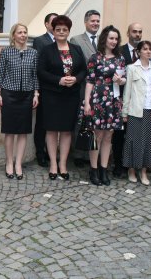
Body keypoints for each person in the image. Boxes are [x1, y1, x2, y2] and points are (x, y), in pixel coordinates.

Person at [37, 15, 87, 180]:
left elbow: (83, 70)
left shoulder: (76, 49)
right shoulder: (46, 50)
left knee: (66, 132)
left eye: (64, 29)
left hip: (71, 96)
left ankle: (63, 164)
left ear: (68, 31)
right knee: (51, 131)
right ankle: (53, 164)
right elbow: (41, 72)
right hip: (51, 95)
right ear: (53, 30)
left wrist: (76, 79)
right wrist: (58, 80)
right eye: (58, 29)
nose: (61, 32)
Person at [83, 25, 126, 186]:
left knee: (108, 136)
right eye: (111, 38)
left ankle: (103, 169)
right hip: (97, 99)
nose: (114, 41)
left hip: (113, 101)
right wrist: (87, 102)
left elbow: (124, 79)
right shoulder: (95, 57)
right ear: (105, 39)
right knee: (96, 136)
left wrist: (121, 81)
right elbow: (89, 81)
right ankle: (93, 170)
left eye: (116, 39)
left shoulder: (120, 58)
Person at [0, 23, 39, 179]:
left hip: (27, 95)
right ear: (13, 35)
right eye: (20, 32)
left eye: (25, 32)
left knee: (23, 132)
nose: (23, 35)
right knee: (9, 131)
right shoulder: (6, 52)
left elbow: (35, 75)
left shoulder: (33, 53)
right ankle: (9, 162)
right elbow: (0, 73)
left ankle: (18, 163)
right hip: (9, 94)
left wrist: (36, 94)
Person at [121, 40, 151, 185]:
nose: (148, 51)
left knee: (148, 142)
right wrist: (124, 113)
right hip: (135, 111)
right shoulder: (132, 68)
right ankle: (131, 170)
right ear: (138, 52)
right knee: (133, 141)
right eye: (145, 49)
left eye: (150, 49)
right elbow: (127, 92)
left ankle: (144, 172)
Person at [70, 10, 101, 167]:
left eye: (97, 21)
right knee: (81, 120)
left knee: (96, 122)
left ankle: (92, 154)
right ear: (85, 22)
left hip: (102, 89)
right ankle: (79, 154)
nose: (95, 23)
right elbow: (75, 65)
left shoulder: (103, 41)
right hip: (83, 87)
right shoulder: (76, 40)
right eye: (93, 21)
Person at [112, 22, 143, 178]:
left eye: (140, 32)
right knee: (119, 134)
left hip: (138, 101)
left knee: (135, 134)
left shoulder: (144, 51)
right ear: (128, 33)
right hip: (121, 98)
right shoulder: (120, 51)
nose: (137, 34)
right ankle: (118, 164)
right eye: (134, 32)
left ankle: (133, 164)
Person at [32, 13, 58, 167]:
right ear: (47, 24)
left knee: (54, 123)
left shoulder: (63, 41)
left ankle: (51, 152)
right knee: (42, 123)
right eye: (53, 22)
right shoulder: (40, 41)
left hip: (59, 89)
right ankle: (40, 153)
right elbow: (38, 65)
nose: (56, 25)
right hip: (44, 87)